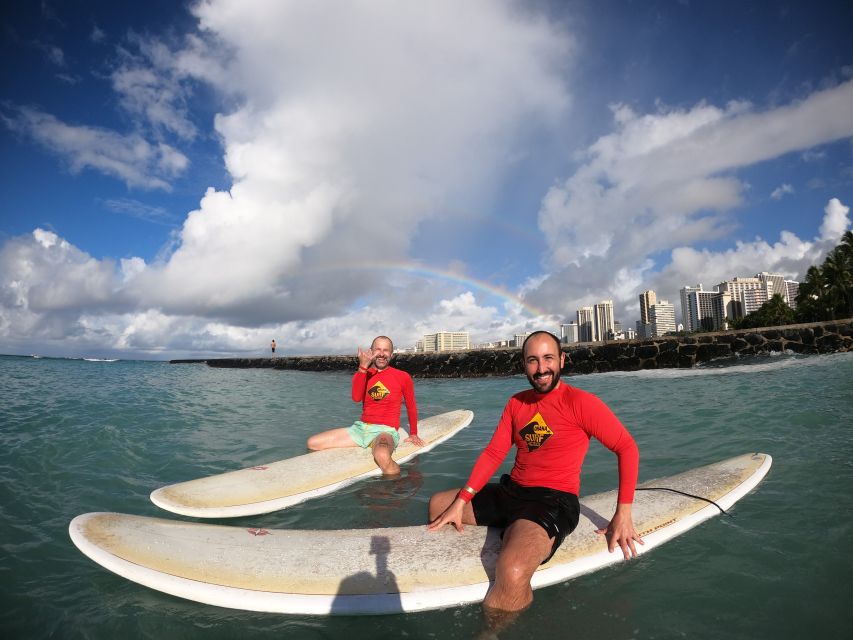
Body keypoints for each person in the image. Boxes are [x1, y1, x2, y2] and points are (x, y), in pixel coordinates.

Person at [427, 330, 642, 615]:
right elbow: (493, 453)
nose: (541, 368)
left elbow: (627, 447)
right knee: (438, 506)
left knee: (513, 570)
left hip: (552, 501)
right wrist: (462, 500)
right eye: (532, 360)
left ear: (562, 360)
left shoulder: (581, 403)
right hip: (512, 491)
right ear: (523, 364)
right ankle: (514, 533)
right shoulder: (517, 403)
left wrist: (623, 514)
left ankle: (494, 627)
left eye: (548, 358)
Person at [307, 336, 424, 475]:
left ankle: (395, 490)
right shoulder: (364, 374)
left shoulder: (402, 376)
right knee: (313, 443)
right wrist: (362, 367)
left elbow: (411, 406)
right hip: (361, 429)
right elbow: (356, 398)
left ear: (391, 355)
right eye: (378, 349)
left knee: (382, 455)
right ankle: (367, 445)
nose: (381, 354)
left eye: (386, 350)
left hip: (385, 431)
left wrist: (414, 433)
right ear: (371, 352)